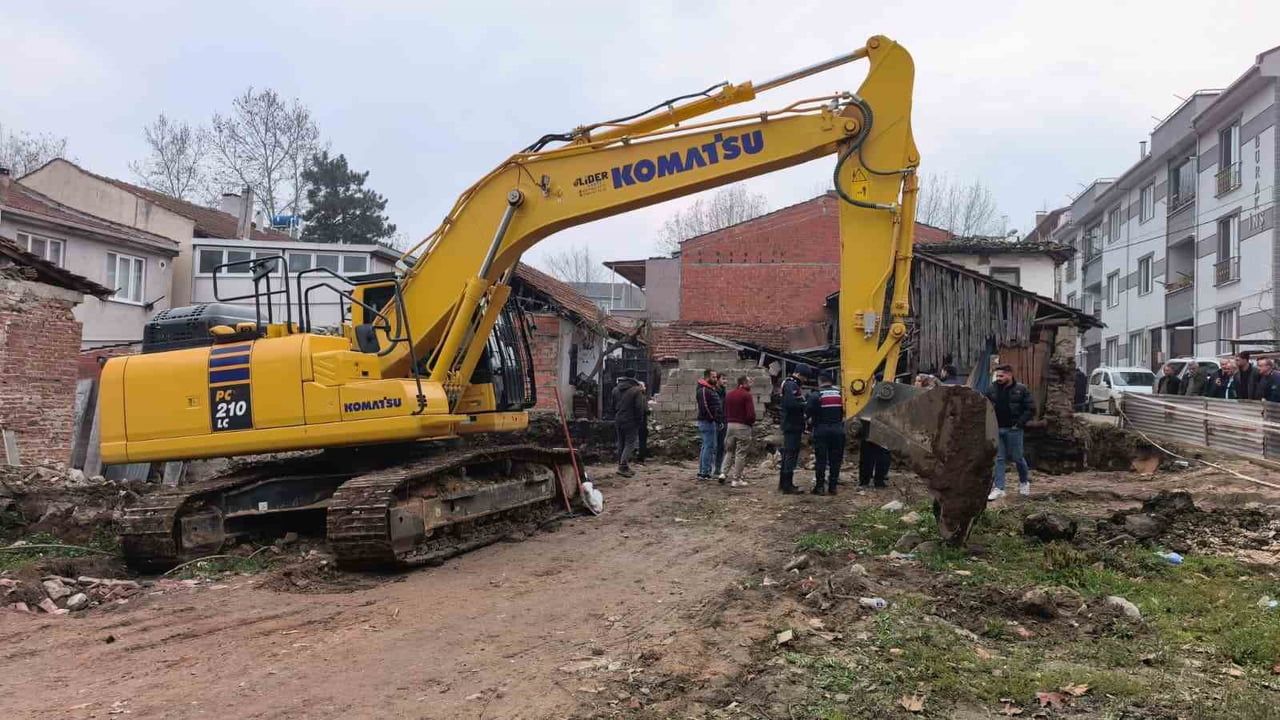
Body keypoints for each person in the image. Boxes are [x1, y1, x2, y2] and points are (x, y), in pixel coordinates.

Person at [985, 364, 1034, 500]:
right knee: (999, 459)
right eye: (997, 376)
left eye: (1001, 376)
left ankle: (1024, 482)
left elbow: (1030, 408)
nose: (999, 378)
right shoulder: (991, 389)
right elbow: (985, 406)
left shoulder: (1021, 389)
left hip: (1014, 429)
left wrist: (1019, 423)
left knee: (1018, 458)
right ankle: (999, 488)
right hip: (997, 428)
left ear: (1009, 375)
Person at [805, 370, 846, 495]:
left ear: (819, 381)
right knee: (835, 459)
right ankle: (833, 487)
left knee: (821, 459)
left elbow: (808, 413)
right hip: (838, 429)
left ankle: (820, 487)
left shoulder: (816, 395)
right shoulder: (840, 394)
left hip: (821, 429)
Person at [777, 364, 812, 495]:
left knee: (788, 454)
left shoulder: (790, 384)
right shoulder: (791, 385)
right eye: (805, 377)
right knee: (790, 454)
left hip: (791, 424)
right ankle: (787, 485)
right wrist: (805, 404)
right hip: (792, 425)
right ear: (799, 374)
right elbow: (791, 404)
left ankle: (784, 483)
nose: (805, 380)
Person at [611, 369, 647, 477]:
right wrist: (639, 420)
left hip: (618, 418)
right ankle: (623, 466)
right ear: (635, 376)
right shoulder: (637, 390)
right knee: (630, 443)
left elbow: (612, 405)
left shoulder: (616, 389)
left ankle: (622, 465)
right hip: (631, 420)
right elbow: (639, 407)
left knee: (621, 442)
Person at [722, 375, 756, 487]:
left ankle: (723, 473)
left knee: (729, 450)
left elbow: (725, 410)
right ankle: (736, 479)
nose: (751, 384)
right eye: (749, 382)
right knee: (740, 453)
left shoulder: (729, 394)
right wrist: (750, 423)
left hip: (730, 425)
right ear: (743, 383)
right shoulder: (746, 395)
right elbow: (750, 414)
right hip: (743, 426)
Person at [695, 369, 724, 480]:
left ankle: (703, 471)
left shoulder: (709, 389)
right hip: (708, 422)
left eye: (716, 377)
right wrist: (714, 419)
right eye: (713, 377)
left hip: (709, 421)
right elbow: (706, 407)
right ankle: (705, 472)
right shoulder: (704, 390)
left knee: (706, 446)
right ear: (707, 377)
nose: (715, 379)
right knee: (709, 447)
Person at [712, 372, 729, 481]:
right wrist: (718, 420)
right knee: (714, 446)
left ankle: (718, 468)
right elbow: (716, 408)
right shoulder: (715, 392)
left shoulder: (723, 392)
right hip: (716, 421)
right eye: (723, 379)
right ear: (718, 380)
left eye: (726, 379)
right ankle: (711, 468)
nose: (725, 381)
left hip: (724, 420)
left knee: (721, 446)